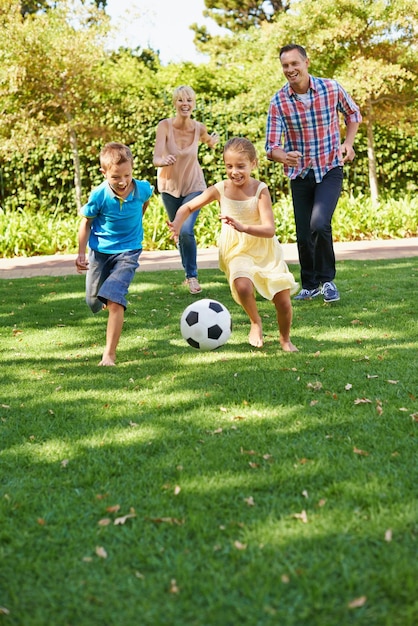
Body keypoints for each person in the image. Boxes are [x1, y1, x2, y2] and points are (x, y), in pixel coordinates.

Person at [168, 137, 299, 352]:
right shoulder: (220, 189)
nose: (234, 171)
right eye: (229, 166)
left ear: (253, 164)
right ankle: (255, 322)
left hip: (264, 248)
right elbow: (189, 207)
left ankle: (285, 340)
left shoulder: (260, 190)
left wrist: (244, 227)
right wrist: (177, 224)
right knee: (242, 286)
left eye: (241, 166)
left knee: (283, 301)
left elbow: (269, 229)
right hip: (237, 249)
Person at [265, 44, 362, 303]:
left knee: (319, 223)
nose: (290, 69)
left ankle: (327, 281)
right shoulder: (279, 101)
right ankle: (309, 285)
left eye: (294, 63)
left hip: (330, 167)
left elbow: (353, 113)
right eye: (285, 65)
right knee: (304, 233)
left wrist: (348, 143)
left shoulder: (331, 88)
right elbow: (270, 146)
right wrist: (283, 155)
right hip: (300, 173)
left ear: (306, 62)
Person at [75, 142, 154, 366]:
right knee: (93, 301)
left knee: (115, 300)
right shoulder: (99, 195)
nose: (122, 182)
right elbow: (86, 223)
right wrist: (81, 254)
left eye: (127, 175)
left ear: (132, 169)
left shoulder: (142, 188)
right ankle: (104, 299)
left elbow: (146, 200)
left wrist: (139, 218)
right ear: (104, 173)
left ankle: (109, 355)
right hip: (100, 252)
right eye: (115, 177)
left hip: (129, 250)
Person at [153, 85, 219, 295]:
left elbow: (208, 140)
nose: (185, 104)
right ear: (175, 103)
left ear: (194, 104)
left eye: (189, 100)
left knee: (187, 229)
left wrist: (213, 142)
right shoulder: (164, 126)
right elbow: (156, 158)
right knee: (179, 231)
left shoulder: (198, 128)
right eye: (181, 100)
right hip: (169, 187)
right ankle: (188, 273)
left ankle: (192, 276)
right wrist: (164, 160)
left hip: (194, 185)